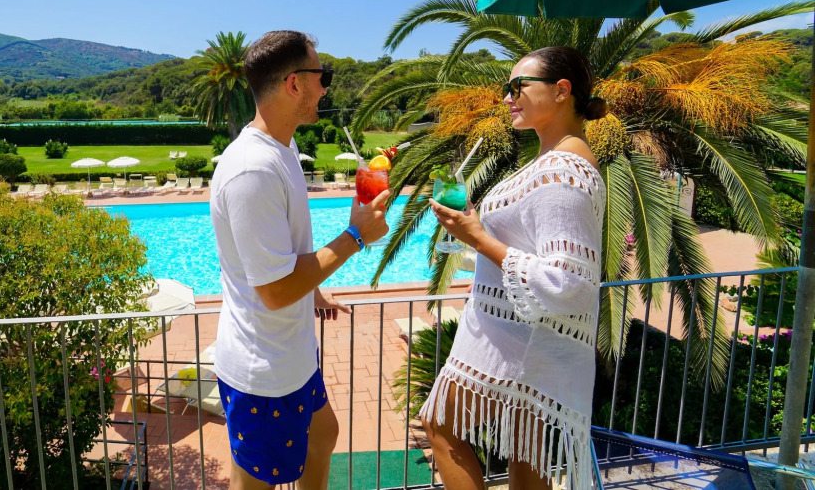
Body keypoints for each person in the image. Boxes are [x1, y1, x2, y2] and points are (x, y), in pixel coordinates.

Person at [211, 30, 391, 490]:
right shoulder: (253, 169)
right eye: (322, 76)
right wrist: (355, 236)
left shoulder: (284, 149)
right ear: (294, 83)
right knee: (254, 482)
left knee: (323, 435)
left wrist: (313, 291)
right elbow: (274, 291)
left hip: (293, 357)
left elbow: (284, 255)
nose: (326, 88)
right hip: (264, 372)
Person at [422, 46, 608, 490]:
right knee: (525, 448)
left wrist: (478, 238)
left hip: (520, 339)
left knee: (441, 426)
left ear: (561, 91)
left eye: (518, 86)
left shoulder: (564, 171)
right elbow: (529, 244)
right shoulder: (552, 161)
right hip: (522, 331)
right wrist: (473, 229)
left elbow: (570, 282)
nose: (507, 97)